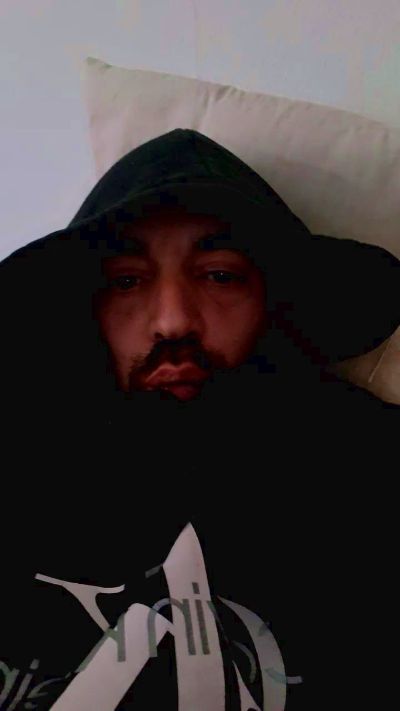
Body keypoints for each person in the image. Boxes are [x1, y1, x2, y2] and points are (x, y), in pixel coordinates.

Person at [0, 128, 398, 710]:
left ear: (274, 296)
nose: (173, 321)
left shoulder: (375, 469)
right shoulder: (18, 448)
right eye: (127, 281)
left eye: (219, 275)